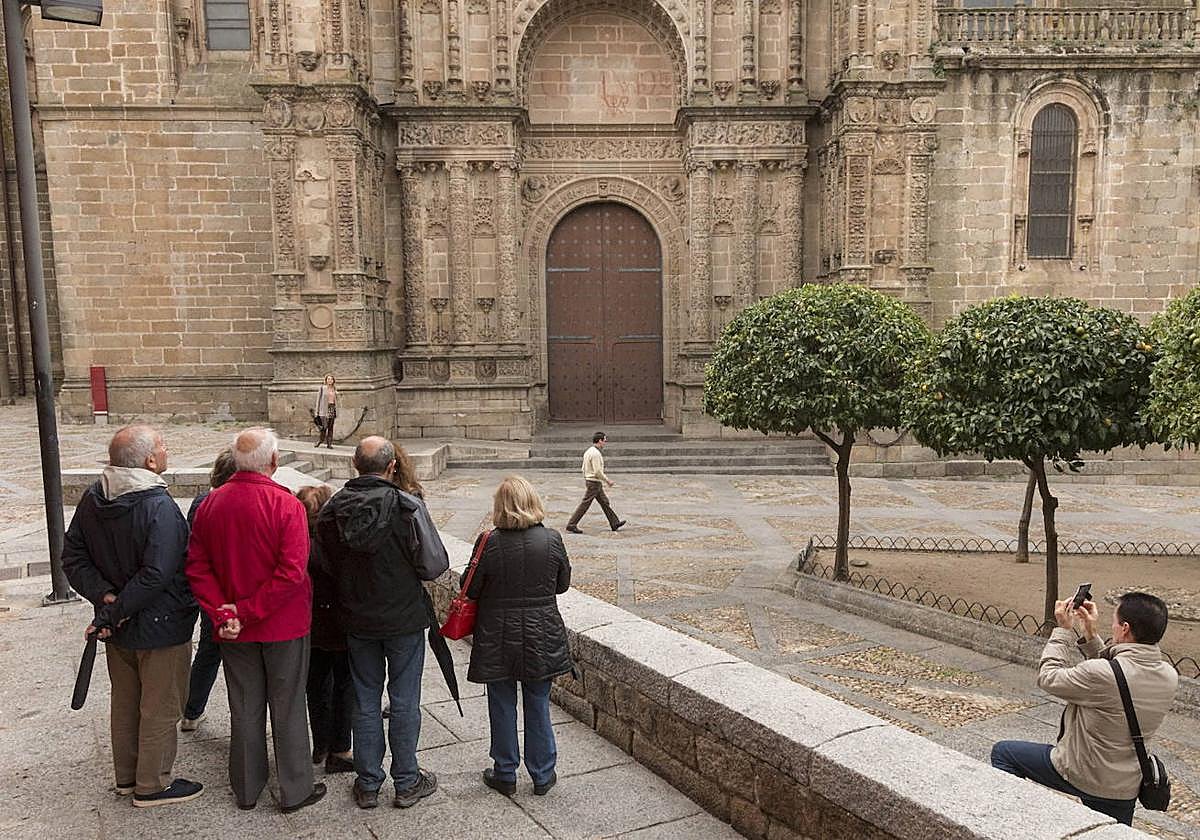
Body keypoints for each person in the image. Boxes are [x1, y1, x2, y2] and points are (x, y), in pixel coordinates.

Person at [186, 428, 326, 814]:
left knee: (244, 705)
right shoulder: (285, 506)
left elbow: (197, 566)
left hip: (233, 627)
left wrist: (224, 611)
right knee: (288, 705)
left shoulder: (212, 504)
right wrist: (244, 611)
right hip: (282, 624)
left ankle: (246, 788)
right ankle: (295, 789)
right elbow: (291, 572)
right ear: (274, 461)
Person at [62, 425, 203, 807]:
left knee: (126, 702)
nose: (167, 448)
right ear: (150, 460)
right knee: (160, 705)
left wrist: (107, 601)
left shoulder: (95, 497)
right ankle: (153, 784)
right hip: (160, 624)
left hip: (118, 625)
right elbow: (158, 572)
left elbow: (72, 557)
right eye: (162, 445)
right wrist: (115, 608)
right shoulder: (158, 505)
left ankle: (127, 777)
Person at [317, 436, 447, 810]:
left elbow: (324, 563)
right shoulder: (408, 506)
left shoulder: (333, 508)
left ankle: (369, 782)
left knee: (365, 697)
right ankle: (407, 780)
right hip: (403, 616)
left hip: (356, 617)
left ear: (355, 466)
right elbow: (434, 564)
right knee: (405, 699)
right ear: (392, 466)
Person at [991, 592, 1179, 825]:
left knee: (1003, 753)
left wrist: (1062, 630)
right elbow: (1116, 675)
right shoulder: (1169, 676)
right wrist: (1091, 634)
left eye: (1114, 622)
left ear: (1125, 629)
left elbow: (1049, 677)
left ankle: (1019, 824)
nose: (1111, 627)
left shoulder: (1102, 674)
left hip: (1084, 773)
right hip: (1124, 785)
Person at [470, 476, 572, 797]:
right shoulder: (552, 539)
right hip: (542, 633)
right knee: (538, 702)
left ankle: (505, 772)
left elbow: (470, 589)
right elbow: (562, 584)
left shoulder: (488, 541)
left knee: (501, 703)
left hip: (498, 634)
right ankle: (542, 774)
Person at [296, 484, 354, 775]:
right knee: (344, 685)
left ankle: (320, 744)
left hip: (309, 625)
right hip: (339, 624)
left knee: (315, 686)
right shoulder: (337, 541)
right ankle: (340, 748)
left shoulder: (297, 542)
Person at [181, 448, 238, 732]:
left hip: (209, 590)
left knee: (208, 648)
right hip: (229, 588)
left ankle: (192, 710)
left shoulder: (200, 502)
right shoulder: (221, 503)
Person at [565, 431, 625, 534]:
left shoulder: (588, 451)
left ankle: (614, 522)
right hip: (594, 482)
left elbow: (583, 468)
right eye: (604, 441)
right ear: (600, 441)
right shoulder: (596, 454)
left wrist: (587, 477)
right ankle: (571, 524)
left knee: (604, 502)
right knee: (585, 504)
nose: (605, 443)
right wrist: (607, 480)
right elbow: (597, 471)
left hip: (592, 481)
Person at [315, 374, 337, 449]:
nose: (329, 380)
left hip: (332, 408)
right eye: (328, 379)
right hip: (324, 410)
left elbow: (336, 400)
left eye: (331, 379)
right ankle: (320, 441)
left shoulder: (334, 388)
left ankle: (329, 443)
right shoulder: (322, 388)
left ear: (333, 381)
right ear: (326, 380)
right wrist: (316, 411)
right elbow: (318, 400)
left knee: (330, 427)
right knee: (324, 427)